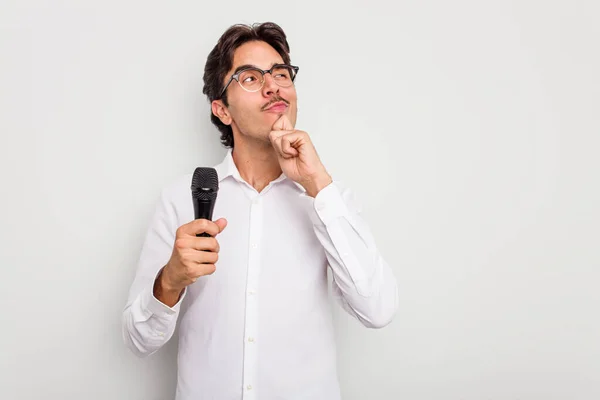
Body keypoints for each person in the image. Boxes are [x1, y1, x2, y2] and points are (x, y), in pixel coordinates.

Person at [122, 21, 398, 400]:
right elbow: (139, 341)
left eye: (281, 74)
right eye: (250, 78)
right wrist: (170, 281)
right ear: (222, 109)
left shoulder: (330, 199)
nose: (273, 86)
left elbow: (377, 310)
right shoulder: (180, 200)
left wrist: (317, 184)